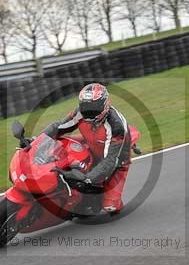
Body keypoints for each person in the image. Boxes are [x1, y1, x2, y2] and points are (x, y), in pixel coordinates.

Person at [43, 83, 131, 215]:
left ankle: (107, 198)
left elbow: (110, 161)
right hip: (90, 143)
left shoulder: (116, 126)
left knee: (111, 207)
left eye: (93, 108)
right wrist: (37, 140)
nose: (88, 113)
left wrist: (86, 178)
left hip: (117, 159)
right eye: (85, 108)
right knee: (57, 146)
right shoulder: (80, 112)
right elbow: (60, 127)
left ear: (105, 105)